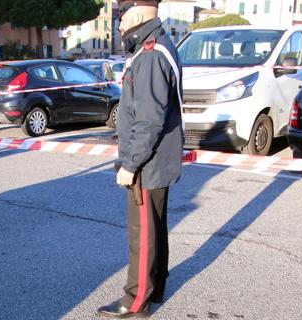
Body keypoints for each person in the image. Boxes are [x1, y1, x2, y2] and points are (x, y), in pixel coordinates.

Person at [98, 0, 184, 318]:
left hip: (147, 163)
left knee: (142, 233)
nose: (119, 25)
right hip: (157, 158)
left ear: (136, 13)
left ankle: (136, 300)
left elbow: (148, 120)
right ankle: (156, 286)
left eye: (121, 17)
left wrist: (131, 164)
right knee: (155, 227)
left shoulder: (149, 53)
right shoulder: (156, 46)